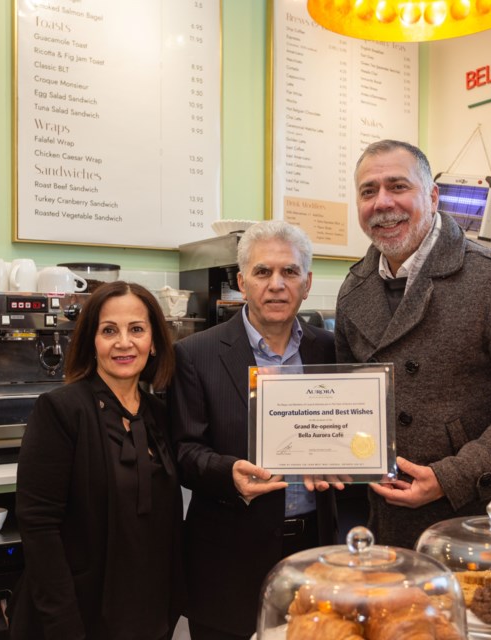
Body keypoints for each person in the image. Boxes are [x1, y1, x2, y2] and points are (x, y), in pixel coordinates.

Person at [335, 139, 491, 549]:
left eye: (398, 186)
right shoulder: (353, 290)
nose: (382, 202)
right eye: (368, 191)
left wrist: (450, 477)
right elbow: (346, 399)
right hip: (386, 524)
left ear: (432, 196)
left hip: (475, 522)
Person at [170, 220, 339, 640]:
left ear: (307, 282)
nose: (277, 284)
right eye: (263, 272)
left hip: (316, 552)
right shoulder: (195, 354)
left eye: (290, 272)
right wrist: (227, 474)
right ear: (242, 282)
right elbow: (184, 451)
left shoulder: (332, 351)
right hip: (229, 561)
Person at [10, 281, 183, 640]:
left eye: (136, 329)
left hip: (148, 611)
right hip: (80, 616)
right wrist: (64, 626)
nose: (124, 342)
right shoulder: (60, 410)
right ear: (91, 341)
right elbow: (39, 528)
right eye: (109, 331)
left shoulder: (160, 414)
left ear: (153, 342)